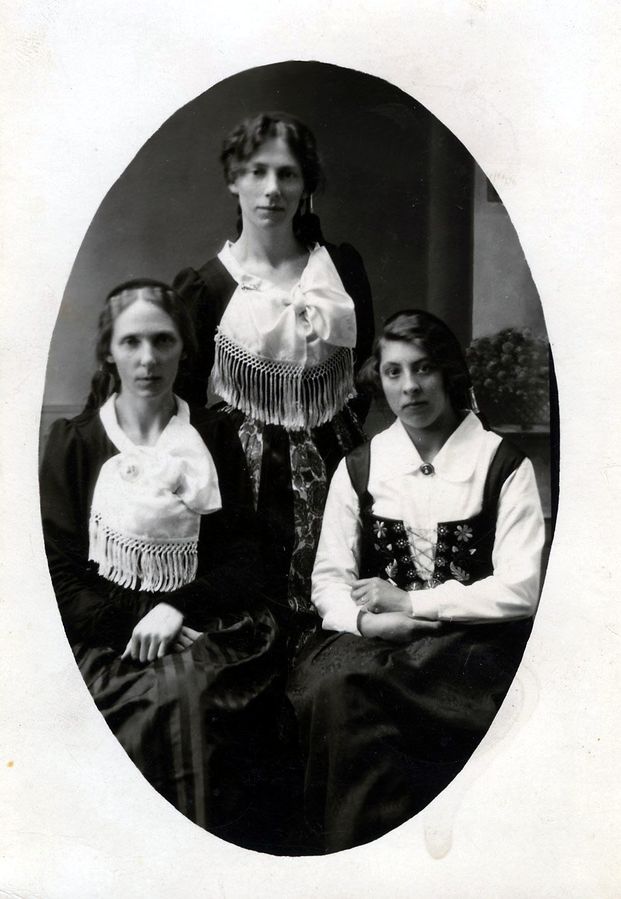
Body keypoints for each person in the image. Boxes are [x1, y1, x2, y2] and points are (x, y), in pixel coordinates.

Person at [287, 309, 546, 853]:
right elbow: (328, 581)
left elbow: (520, 590)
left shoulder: (503, 465)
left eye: (424, 368)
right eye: (394, 372)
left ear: (448, 373)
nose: (410, 386)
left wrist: (412, 602)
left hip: (474, 645)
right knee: (338, 689)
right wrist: (368, 623)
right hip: (379, 640)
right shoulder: (361, 466)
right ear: (379, 380)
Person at [40, 279, 282, 847]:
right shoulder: (74, 442)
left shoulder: (213, 436)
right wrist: (137, 619)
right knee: (137, 708)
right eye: (131, 342)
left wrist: (177, 607)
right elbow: (57, 574)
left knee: (193, 698)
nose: (147, 359)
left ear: (184, 349)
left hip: (203, 622)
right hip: (103, 632)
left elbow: (245, 559)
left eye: (162, 341)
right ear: (109, 351)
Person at [173, 112, 375, 644]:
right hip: (240, 482)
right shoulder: (205, 286)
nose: (272, 189)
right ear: (233, 180)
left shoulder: (340, 270)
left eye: (287, 174)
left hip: (338, 471)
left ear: (307, 184)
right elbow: (183, 406)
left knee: (340, 619)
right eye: (257, 172)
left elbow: (361, 375)